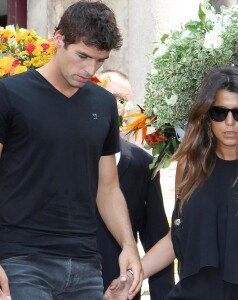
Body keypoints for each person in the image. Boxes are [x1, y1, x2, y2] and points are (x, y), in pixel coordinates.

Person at [105, 66, 238, 299]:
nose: (230, 122)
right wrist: (134, 276)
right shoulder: (189, 165)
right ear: (207, 117)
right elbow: (176, 238)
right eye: (220, 112)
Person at [0, 2, 143, 300]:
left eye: (100, 61)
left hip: (86, 265)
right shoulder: (9, 94)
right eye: (82, 56)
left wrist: (129, 247)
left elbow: (108, 187)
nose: (90, 69)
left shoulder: (104, 103)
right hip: (21, 260)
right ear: (58, 39)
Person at [96, 70, 175, 300]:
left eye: (124, 101)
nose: (118, 106)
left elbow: (157, 235)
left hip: (119, 286)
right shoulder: (64, 154)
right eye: (112, 96)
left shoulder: (143, 164)